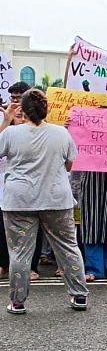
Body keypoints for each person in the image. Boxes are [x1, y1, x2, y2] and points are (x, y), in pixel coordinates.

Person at [0, 89, 88, 314]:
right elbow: (69, 165)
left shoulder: (11, 134)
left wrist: (7, 120)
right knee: (68, 246)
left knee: (20, 252)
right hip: (56, 198)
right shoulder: (61, 133)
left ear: (24, 110)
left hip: (19, 200)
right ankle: (78, 295)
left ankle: (18, 301)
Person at [0, 82, 44, 281]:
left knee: (34, 229)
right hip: (8, 186)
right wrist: (7, 120)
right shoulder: (7, 125)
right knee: (5, 230)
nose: (16, 102)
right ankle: (4, 264)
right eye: (13, 98)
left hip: (36, 186)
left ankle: (32, 266)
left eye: (20, 98)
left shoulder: (38, 124)